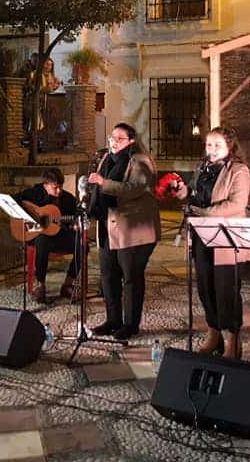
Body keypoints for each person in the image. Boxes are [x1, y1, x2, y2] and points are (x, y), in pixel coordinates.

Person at [174, 126, 250, 359]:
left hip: (227, 239)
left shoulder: (239, 171)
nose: (212, 149)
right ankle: (214, 332)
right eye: (209, 144)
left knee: (226, 291)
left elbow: (237, 204)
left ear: (230, 146)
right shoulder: (202, 169)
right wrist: (183, 193)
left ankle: (232, 340)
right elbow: (195, 193)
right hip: (201, 236)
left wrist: (204, 212)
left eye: (217, 145)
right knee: (206, 288)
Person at [87, 123, 160, 340]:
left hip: (133, 231)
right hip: (108, 228)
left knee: (131, 279)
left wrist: (103, 182)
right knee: (108, 277)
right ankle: (113, 320)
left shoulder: (140, 161)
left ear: (131, 141)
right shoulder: (107, 159)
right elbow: (98, 189)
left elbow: (135, 189)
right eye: (112, 138)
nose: (113, 142)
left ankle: (131, 324)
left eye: (119, 139)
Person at [14, 167, 83, 304]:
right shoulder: (35, 193)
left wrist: (76, 224)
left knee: (83, 245)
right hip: (36, 236)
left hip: (59, 235)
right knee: (42, 240)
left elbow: (79, 214)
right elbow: (14, 200)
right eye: (55, 187)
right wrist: (31, 216)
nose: (59, 191)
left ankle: (68, 284)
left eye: (61, 187)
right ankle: (41, 284)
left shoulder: (67, 199)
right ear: (45, 185)